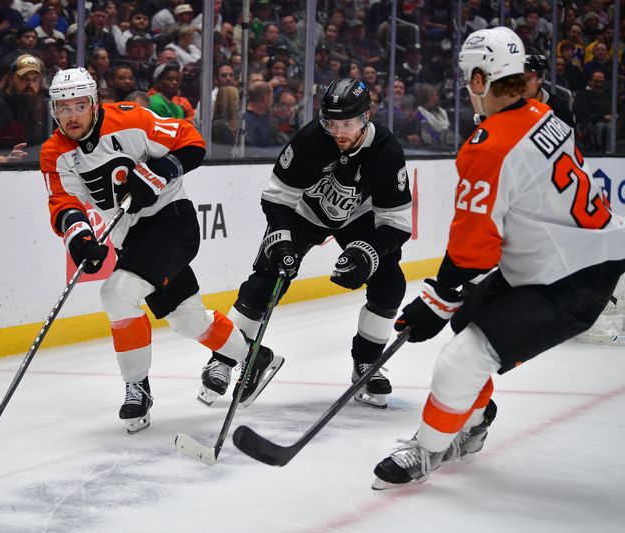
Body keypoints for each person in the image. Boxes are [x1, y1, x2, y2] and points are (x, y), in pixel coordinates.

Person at [372, 26, 625, 490]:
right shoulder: (544, 113)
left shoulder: (490, 146)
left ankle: (428, 449)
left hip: (570, 279)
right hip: (573, 256)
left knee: (460, 359)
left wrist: (437, 296)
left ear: (478, 80)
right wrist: (446, 300)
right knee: (465, 320)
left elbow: (473, 249)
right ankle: (471, 424)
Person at [39, 67, 282, 433]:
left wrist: (155, 174)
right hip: (130, 239)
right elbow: (63, 202)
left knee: (117, 292)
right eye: (63, 108)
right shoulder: (54, 152)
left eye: (79, 106)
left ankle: (137, 387)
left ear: (93, 103)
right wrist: (80, 238)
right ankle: (255, 358)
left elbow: (191, 141)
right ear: (54, 111)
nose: (72, 116)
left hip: (171, 223)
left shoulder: (130, 120)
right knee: (189, 320)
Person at [200, 78, 412, 409]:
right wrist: (283, 241)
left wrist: (364, 252)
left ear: (366, 117)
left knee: (390, 282)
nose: (339, 132)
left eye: (349, 123)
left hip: (358, 218)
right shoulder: (312, 139)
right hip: (302, 214)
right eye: (332, 123)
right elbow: (276, 197)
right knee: (266, 280)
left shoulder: (386, 151)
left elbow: (397, 222)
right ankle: (224, 360)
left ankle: (366, 363)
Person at [522, 53, 574, 127]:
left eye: (528, 78)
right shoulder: (510, 104)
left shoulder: (559, 109)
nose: (522, 84)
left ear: (541, 79)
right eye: (519, 78)